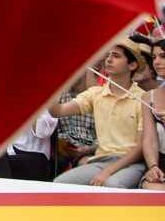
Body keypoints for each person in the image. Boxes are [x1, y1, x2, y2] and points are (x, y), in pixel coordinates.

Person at [51, 39, 148, 188]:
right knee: (60, 184)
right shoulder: (96, 93)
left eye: (116, 55)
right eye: (108, 55)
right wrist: (51, 81)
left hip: (131, 163)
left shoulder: (143, 99)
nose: (108, 59)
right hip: (100, 161)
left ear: (132, 65)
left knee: (112, 185)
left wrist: (108, 171)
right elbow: (57, 111)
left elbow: (140, 148)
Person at [141, 39, 165, 191]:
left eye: (163, 56)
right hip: (161, 162)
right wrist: (153, 166)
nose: (157, 62)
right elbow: (149, 137)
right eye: (154, 57)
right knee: (153, 188)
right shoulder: (148, 97)